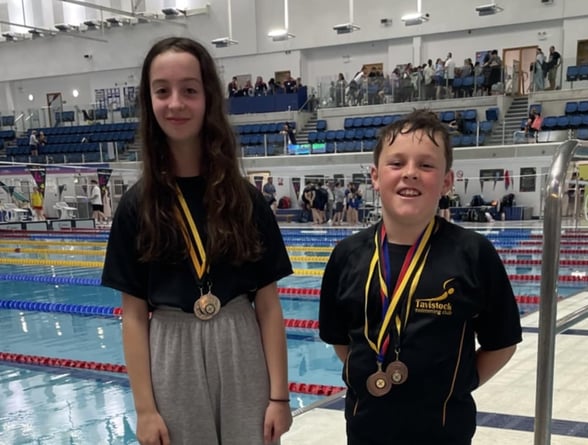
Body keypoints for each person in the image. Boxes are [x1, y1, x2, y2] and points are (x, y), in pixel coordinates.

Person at [101, 37, 293, 445]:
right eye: (162, 91)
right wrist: (145, 409)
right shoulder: (137, 207)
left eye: (189, 90)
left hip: (240, 341)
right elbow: (133, 317)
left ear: (207, 98)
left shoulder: (245, 199)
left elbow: (269, 305)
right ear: (148, 101)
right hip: (171, 348)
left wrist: (280, 396)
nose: (176, 103)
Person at [318, 109, 522, 445]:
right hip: (366, 430)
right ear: (375, 176)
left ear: (446, 181)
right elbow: (342, 342)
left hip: (444, 432)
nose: (410, 173)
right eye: (396, 163)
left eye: (426, 165)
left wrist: (459, 383)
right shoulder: (347, 255)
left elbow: (501, 343)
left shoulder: (472, 253)